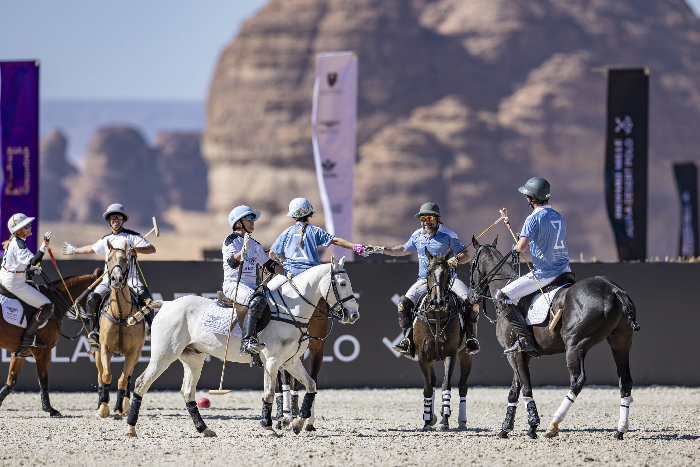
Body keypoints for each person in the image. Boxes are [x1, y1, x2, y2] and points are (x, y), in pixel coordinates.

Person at [381, 202, 480, 357]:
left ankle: (471, 339)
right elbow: (402, 249)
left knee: (470, 303)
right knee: (403, 304)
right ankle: (407, 340)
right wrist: (383, 250)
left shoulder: (449, 235)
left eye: (429, 217)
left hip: (449, 280)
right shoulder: (417, 235)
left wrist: (456, 260)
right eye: (423, 218)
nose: (426, 221)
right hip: (423, 281)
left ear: (438, 219)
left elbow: (465, 255)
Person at [61, 203, 156, 351]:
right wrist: (74, 250)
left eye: (118, 217)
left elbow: (152, 249)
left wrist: (136, 249)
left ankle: (152, 328)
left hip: (130, 279)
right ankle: (94, 332)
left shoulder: (133, 236)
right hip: (108, 279)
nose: (115, 220)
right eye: (112, 218)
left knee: (146, 296)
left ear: (123, 220)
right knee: (92, 299)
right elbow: (91, 248)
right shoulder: (106, 239)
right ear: (109, 220)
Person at [493, 176, 571, 354]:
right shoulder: (559, 216)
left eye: (528, 196)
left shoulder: (533, 218)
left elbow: (521, 247)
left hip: (545, 273)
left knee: (501, 296)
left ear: (533, 198)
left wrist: (515, 248)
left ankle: (525, 339)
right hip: (565, 271)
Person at [267, 197, 372, 291]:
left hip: (290, 274)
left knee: (266, 292)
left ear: (293, 216)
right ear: (310, 213)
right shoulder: (316, 231)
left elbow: (271, 253)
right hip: (314, 274)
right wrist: (355, 247)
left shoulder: (287, 232)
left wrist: (276, 265)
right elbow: (337, 241)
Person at [223, 205, 286, 355]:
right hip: (234, 285)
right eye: (249, 218)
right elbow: (232, 263)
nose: (253, 221)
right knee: (258, 300)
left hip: (251, 287)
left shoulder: (255, 245)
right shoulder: (230, 241)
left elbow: (270, 265)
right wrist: (241, 252)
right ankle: (246, 342)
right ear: (238, 223)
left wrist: (289, 274)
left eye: (253, 218)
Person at [0, 213, 54, 355]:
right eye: (27, 226)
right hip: (14, 283)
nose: (30, 227)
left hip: (7, 277)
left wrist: (31, 269)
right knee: (48, 306)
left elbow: (26, 264)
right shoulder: (18, 243)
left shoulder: (17, 241)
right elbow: (34, 261)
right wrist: (44, 245)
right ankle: (28, 339)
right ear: (19, 231)